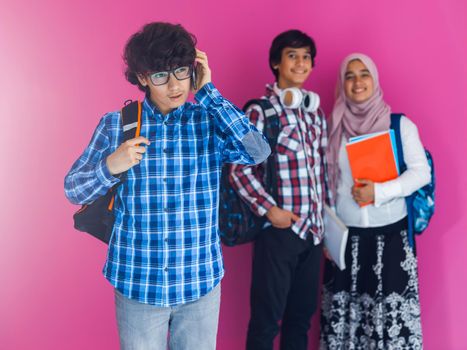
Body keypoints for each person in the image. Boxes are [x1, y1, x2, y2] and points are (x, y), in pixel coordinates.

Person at [64, 22, 270, 350]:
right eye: (160, 75)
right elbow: (74, 189)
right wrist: (110, 167)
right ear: (143, 78)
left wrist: (208, 94)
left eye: (181, 72)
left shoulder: (208, 121)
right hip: (138, 283)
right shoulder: (116, 124)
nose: (174, 85)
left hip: (199, 282)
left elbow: (258, 152)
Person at [320, 53, 430, 349]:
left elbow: (421, 173)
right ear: (342, 83)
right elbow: (323, 185)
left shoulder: (398, 125)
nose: (357, 82)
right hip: (346, 242)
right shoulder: (331, 127)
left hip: (391, 239)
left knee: (388, 323)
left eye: (364, 74)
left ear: (375, 79)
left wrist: (378, 192)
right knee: (348, 325)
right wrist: (325, 236)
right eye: (350, 75)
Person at [230, 29, 329, 350]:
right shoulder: (260, 112)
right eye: (292, 56)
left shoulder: (315, 114)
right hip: (279, 232)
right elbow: (238, 168)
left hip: (313, 234)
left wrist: (327, 227)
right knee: (265, 321)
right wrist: (269, 210)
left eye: (306, 57)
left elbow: (322, 173)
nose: (301, 63)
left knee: (300, 320)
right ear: (276, 62)